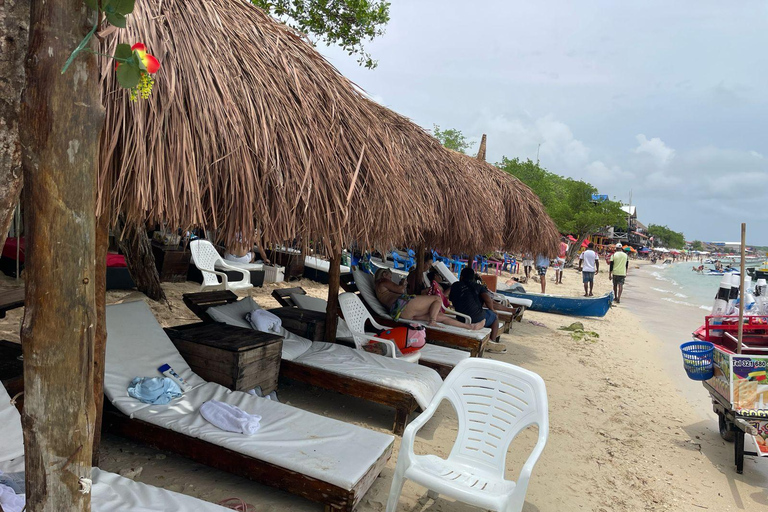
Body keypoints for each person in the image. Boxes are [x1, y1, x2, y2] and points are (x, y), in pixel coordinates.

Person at [374, 268, 478, 328]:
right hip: (402, 305)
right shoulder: (382, 281)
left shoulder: (381, 289)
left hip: (400, 312)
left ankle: (470, 327)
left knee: (440, 316)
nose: (390, 279)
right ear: (384, 274)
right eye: (390, 277)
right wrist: (402, 283)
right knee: (437, 299)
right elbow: (401, 290)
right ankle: (432, 321)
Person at [450, 268, 505, 352]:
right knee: (494, 317)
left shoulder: (455, 285)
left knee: (483, 313)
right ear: (473, 278)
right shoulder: (478, 286)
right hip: (475, 319)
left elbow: (451, 299)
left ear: (461, 277)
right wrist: (492, 309)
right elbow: (487, 299)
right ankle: (491, 342)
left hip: (460, 317)